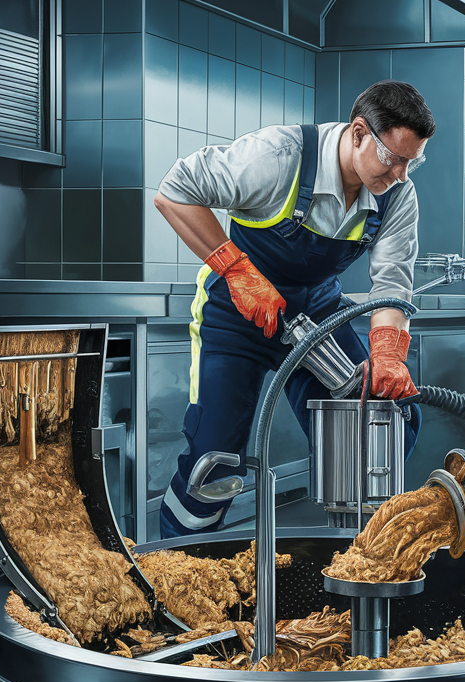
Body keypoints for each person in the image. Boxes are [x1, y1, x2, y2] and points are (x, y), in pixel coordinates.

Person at [153, 80, 433, 539]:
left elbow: (393, 281)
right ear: (359, 133)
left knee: (384, 421)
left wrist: (386, 354)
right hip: (235, 319)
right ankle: (178, 572)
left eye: (412, 161)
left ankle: (353, 558)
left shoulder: (398, 195)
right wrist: (237, 270)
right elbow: (175, 190)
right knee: (214, 463)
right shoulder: (278, 157)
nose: (401, 173)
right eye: (393, 158)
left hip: (316, 318)